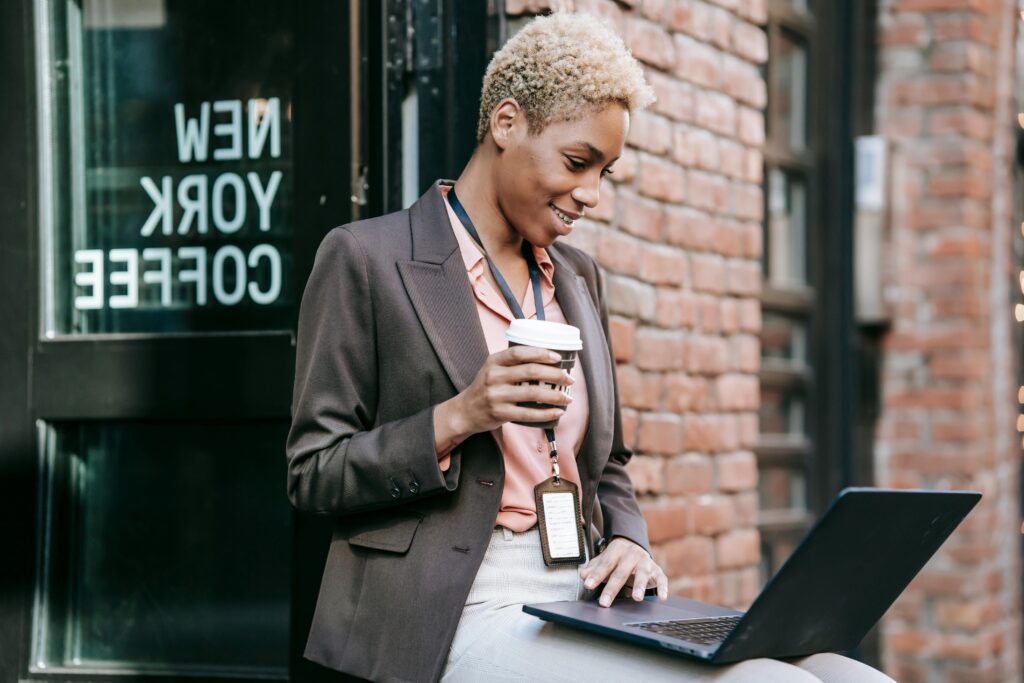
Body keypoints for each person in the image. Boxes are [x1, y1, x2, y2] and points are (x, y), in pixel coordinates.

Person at [286, 11, 894, 683]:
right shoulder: (365, 259)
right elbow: (313, 470)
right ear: (507, 123)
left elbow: (610, 467)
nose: (593, 195)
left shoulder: (576, 276)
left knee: (850, 676)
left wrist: (631, 542)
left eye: (606, 170)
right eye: (579, 162)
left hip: (584, 591)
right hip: (451, 608)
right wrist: (460, 415)